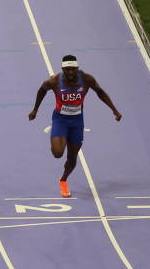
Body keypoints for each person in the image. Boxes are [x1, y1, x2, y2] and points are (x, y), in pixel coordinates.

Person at [29, 55, 121, 198]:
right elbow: (41, 91)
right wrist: (35, 110)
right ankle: (57, 135)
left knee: (72, 158)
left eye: (73, 69)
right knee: (58, 153)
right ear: (62, 69)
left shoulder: (87, 79)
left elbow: (100, 92)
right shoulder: (53, 81)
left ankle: (63, 180)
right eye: (67, 70)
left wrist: (114, 110)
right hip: (60, 119)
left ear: (77, 68)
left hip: (77, 121)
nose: (70, 72)